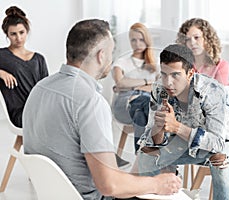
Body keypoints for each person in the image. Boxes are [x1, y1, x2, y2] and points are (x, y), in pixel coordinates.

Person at [23, 19, 181, 200]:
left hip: (53, 194)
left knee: (150, 151)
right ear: (101, 55)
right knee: (165, 180)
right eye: (111, 52)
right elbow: (109, 185)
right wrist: (158, 184)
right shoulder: (90, 102)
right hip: (91, 197)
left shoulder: (40, 88)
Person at [137, 44, 229, 200]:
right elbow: (151, 140)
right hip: (192, 140)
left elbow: (216, 143)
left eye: (175, 75)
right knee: (147, 154)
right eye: (164, 74)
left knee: (220, 161)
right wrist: (159, 128)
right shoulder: (160, 90)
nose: (168, 83)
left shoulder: (211, 90)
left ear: (190, 73)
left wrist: (176, 127)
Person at [112, 22, 158, 152]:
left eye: (141, 40)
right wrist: (146, 81)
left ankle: (141, 154)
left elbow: (158, 87)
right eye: (133, 40)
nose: (137, 44)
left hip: (143, 106)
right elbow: (120, 83)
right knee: (148, 106)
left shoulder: (154, 66)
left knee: (140, 112)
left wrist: (132, 86)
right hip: (124, 106)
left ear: (147, 40)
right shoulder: (121, 62)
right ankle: (154, 155)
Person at [0, 6, 48, 127]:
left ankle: (16, 146)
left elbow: (47, 89)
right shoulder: (2, 55)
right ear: (7, 35)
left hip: (40, 109)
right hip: (19, 113)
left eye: (22, 32)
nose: (19, 38)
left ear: (27, 31)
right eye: (13, 34)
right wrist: (1, 72)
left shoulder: (39, 59)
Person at [176, 18, 229, 86]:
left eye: (196, 37)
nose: (192, 43)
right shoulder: (181, 64)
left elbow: (219, 94)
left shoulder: (221, 66)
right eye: (188, 39)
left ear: (208, 39)